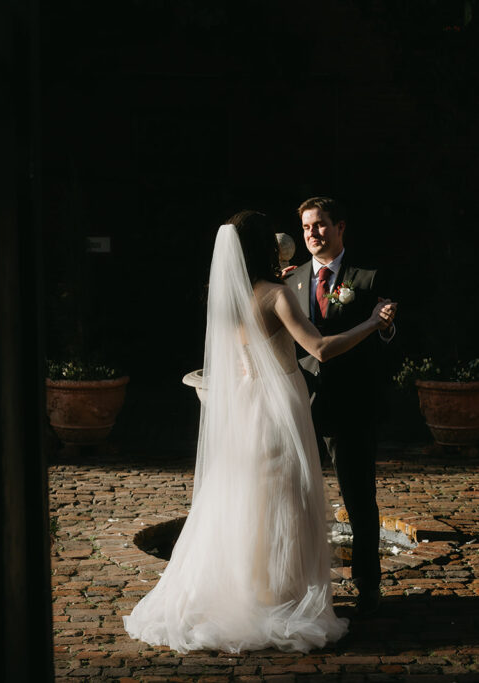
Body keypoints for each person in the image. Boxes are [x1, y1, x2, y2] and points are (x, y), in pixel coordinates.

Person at [123, 211, 397, 654]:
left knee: (248, 503)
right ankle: (281, 601)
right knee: (286, 503)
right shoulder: (277, 295)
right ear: (263, 249)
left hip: (245, 409)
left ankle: (248, 594)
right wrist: (369, 323)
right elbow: (321, 350)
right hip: (278, 409)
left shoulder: (226, 298)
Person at [284, 197, 396, 616]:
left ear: (340, 227)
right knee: (296, 497)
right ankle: (301, 581)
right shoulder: (291, 280)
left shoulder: (367, 278)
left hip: (352, 407)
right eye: (307, 228)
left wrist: (385, 326)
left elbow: (390, 336)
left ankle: (368, 584)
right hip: (301, 406)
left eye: (321, 226)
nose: (313, 234)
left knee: (358, 498)